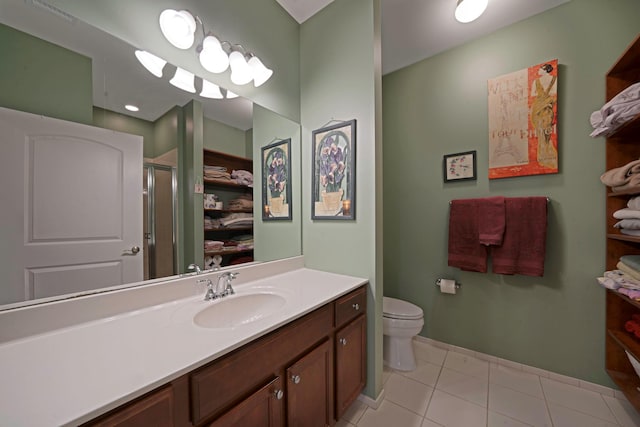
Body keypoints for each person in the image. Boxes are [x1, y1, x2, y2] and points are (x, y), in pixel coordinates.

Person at [530, 63, 558, 169]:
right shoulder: (536, 81)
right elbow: (532, 94)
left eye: (540, 69)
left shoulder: (554, 79)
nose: (538, 71)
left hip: (546, 107)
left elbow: (534, 93)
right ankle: (543, 155)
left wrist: (543, 97)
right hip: (539, 107)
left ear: (545, 70)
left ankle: (545, 155)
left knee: (546, 130)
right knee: (540, 130)